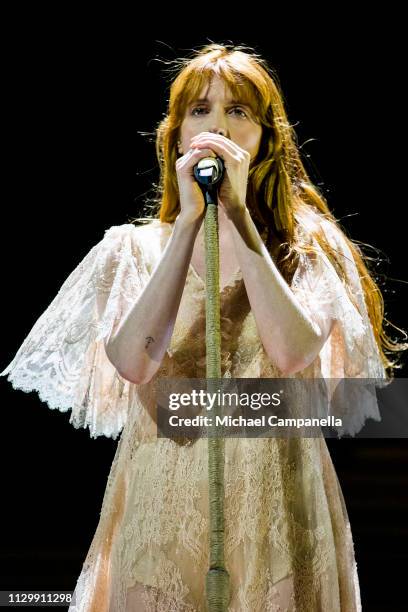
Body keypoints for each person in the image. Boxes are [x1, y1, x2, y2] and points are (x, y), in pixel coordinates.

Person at [1, 43, 406, 611]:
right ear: (176, 136)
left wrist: (239, 217)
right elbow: (135, 363)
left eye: (239, 112)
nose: (218, 125)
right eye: (201, 110)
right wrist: (190, 221)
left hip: (276, 499)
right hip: (164, 499)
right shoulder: (131, 250)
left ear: (265, 138)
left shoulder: (307, 246)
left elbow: (291, 354)